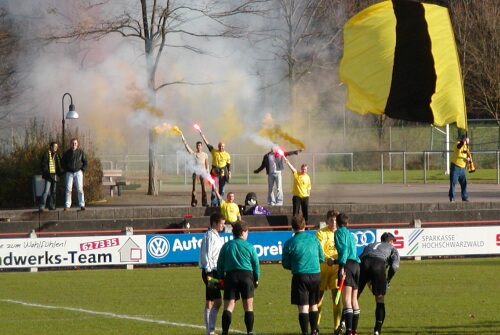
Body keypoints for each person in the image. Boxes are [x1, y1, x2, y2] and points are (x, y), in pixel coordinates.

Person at [282, 214, 324, 335]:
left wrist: (295, 266)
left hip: (300, 275)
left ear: (292, 227)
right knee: (314, 304)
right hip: (316, 274)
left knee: (303, 306)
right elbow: (321, 257)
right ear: (305, 225)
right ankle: (314, 331)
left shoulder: (290, 243)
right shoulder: (314, 239)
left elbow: (285, 263)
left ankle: (305, 332)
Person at [217, 221, 260, 335]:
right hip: (247, 277)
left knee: (228, 307)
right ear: (242, 232)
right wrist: (256, 278)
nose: (247, 234)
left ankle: (225, 332)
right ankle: (249, 332)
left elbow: (220, 264)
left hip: (231, 277)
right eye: (247, 232)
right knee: (248, 307)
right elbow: (255, 264)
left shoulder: (226, 246)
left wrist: (221, 278)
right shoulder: (249, 246)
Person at [358, 232, 400, 335]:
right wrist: (388, 279)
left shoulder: (369, 245)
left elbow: (358, 258)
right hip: (378, 264)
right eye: (393, 242)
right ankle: (377, 330)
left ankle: (345, 323)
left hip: (363, 263)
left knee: (353, 297)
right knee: (379, 298)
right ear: (390, 241)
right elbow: (395, 266)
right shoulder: (392, 248)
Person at [316, 210, 344, 335]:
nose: (333, 222)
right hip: (323, 268)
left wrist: (337, 261)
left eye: (335, 220)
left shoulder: (341, 233)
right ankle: (315, 326)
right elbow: (320, 250)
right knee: (318, 298)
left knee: (336, 298)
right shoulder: (321, 233)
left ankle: (337, 327)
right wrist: (328, 259)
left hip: (336, 269)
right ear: (327, 221)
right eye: (331, 220)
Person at [198, 213, 227, 335]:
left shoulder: (215, 236)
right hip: (210, 273)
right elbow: (208, 255)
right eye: (221, 223)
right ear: (214, 223)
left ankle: (209, 330)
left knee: (211, 300)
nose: (223, 226)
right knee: (216, 301)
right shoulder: (210, 236)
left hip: (214, 272)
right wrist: (209, 274)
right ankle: (210, 330)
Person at [334, 213, 361, 335]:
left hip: (348, 265)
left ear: (337, 223)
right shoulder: (351, 235)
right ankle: (354, 331)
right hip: (356, 266)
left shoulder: (338, 233)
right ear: (347, 223)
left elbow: (344, 250)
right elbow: (352, 251)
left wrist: (342, 267)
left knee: (346, 300)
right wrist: (335, 261)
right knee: (354, 300)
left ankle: (349, 331)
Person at [199, 130, 231, 207]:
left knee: (222, 189)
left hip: (223, 173)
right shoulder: (214, 152)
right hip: (215, 172)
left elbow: (228, 164)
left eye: (222, 146)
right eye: (220, 146)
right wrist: (202, 136)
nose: (221, 147)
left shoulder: (227, 155)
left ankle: (220, 202)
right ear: (218, 146)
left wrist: (229, 172)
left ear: (224, 147)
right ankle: (214, 203)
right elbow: (208, 144)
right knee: (214, 188)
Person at [182, 136, 209, 207]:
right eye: (197, 145)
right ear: (196, 146)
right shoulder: (194, 154)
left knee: (204, 188)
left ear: (202, 146)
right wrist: (185, 144)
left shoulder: (205, 155)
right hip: (195, 172)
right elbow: (189, 150)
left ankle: (204, 202)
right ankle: (194, 201)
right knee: (194, 188)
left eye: (200, 145)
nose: (198, 147)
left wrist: (207, 172)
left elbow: (207, 164)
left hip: (203, 172)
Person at [61, 138, 88, 211]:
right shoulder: (67, 153)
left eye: (75, 143)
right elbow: (62, 163)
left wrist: (82, 169)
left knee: (80, 189)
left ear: (77, 144)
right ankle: (67, 205)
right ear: (70, 144)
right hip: (69, 173)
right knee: (68, 189)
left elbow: (85, 162)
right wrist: (66, 169)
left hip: (78, 172)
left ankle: (82, 205)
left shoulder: (81, 152)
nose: (74, 145)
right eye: (73, 143)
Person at [283, 157, 311, 222]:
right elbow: (292, 168)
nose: (304, 170)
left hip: (305, 197)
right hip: (297, 196)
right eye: (303, 169)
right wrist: (288, 162)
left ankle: (306, 225)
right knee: (295, 212)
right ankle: (295, 225)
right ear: (301, 169)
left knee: (305, 212)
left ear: (307, 170)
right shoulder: (297, 174)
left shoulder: (308, 177)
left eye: (305, 169)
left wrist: (308, 195)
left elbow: (309, 187)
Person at [39, 141, 63, 211]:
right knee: (46, 191)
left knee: (53, 192)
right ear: (51, 147)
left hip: (55, 175)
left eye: (56, 147)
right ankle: (42, 206)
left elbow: (59, 165)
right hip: (48, 176)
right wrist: (47, 172)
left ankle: (52, 206)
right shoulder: (46, 154)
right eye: (54, 146)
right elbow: (43, 164)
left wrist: (60, 173)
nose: (55, 148)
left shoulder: (57, 155)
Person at [448, 134, 470, 202]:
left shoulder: (466, 147)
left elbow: (466, 155)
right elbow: (459, 146)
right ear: (464, 139)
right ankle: (451, 197)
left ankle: (464, 197)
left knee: (464, 183)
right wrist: (463, 142)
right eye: (467, 139)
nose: (468, 141)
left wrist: (467, 160)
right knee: (453, 182)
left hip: (462, 168)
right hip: (455, 166)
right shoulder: (458, 143)